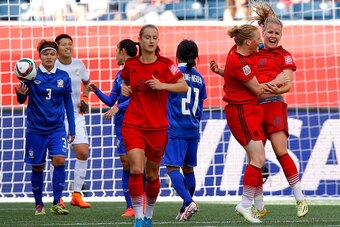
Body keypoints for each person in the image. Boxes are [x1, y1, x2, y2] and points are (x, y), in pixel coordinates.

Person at [211, 0, 308, 219]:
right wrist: (221, 71)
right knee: (256, 157)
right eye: (270, 32)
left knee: (280, 151)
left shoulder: (285, 55)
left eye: (277, 33)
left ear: (281, 35)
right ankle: (258, 205)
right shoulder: (253, 51)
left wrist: (273, 86)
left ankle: (300, 198)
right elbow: (240, 75)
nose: (273, 36)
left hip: (273, 106)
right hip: (253, 107)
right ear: (262, 32)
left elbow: (288, 85)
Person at [211, 24, 288, 223]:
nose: (261, 42)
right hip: (240, 112)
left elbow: (231, 75)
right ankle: (246, 204)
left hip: (249, 110)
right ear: (248, 42)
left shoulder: (238, 51)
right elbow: (258, 91)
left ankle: (250, 204)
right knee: (258, 158)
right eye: (257, 39)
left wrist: (220, 70)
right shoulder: (240, 62)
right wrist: (279, 83)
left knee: (258, 158)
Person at [120, 24, 188, 227]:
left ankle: (148, 215)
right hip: (133, 124)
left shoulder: (167, 65)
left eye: (154, 37)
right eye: (147, 37)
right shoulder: (131, 65)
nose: (151, 41)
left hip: (158, 127)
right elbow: (125, 82)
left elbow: (183, 86)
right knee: (136, 170)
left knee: (152, 175)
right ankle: (139, 217)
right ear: (139, 40)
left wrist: (163, 85)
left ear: (158, 41)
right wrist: (124, 89)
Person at [15, 39, 75, 215]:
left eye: (51, 54)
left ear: (57, 56)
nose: (48, 57)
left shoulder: (64, 76)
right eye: (45, 54)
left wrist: (72, 127)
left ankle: (57, 202)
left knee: (60, 161)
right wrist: (19, 95)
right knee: (37, 167)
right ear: (39, 56)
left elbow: (68, 104)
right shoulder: (31, 75)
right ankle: (39, 204)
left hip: (57, 128)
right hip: (36, 129)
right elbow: (22, 99)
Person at [88, 39, 138, 217]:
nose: (115, 54)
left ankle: (143, 201)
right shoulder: (119, 75)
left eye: (116, 51)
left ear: (123, 51)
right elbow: (111, 100)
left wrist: (118, 108)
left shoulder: (138, 71)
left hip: (138, 123)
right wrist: (97, 91)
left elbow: (139, 99)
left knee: (139, 166)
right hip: (121, 125)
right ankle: (130, 206)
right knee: (126, 164)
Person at [162, 39, 206, 222]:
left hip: (175, 128)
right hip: (193, 129)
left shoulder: (172, 74)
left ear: (177, 55)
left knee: (173, 168)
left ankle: (188, 201)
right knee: (188, 169)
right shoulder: (200, 78)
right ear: (196, 57)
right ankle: (184, 208)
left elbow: (163, 98)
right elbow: (200, 109)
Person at [54, 33, 91, 209]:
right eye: (63, 44)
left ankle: (76, 194)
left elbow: (87, 82)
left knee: (83, 152)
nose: (68, 47)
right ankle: (57, 197)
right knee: (58, 158)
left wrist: (85, 98)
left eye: (70, 44)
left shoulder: (78, 64)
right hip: (57, 116)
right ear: (57, 48)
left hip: (76, 114)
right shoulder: (52, 65)